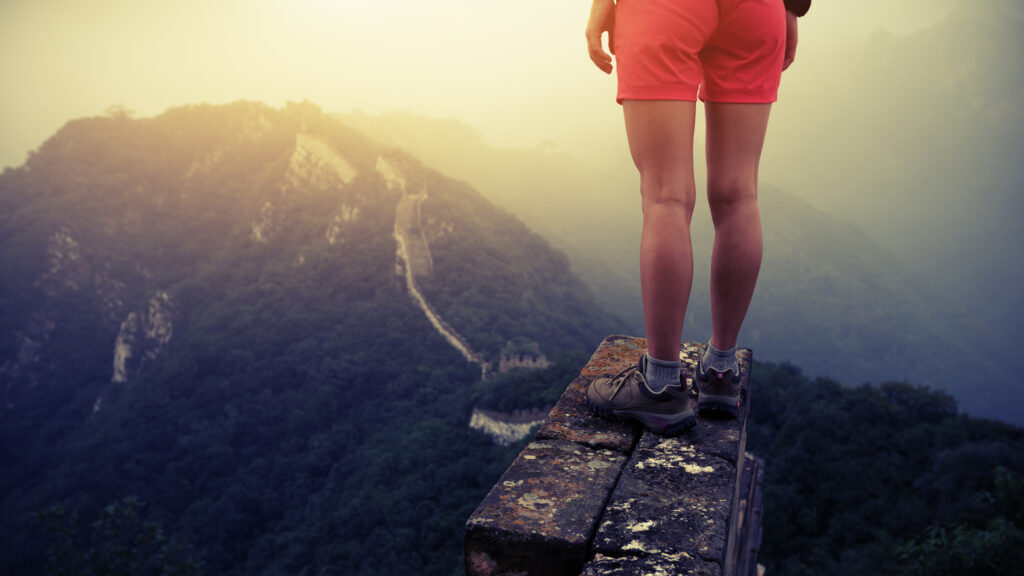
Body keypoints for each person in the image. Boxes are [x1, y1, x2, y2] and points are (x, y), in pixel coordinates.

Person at [585, 0, 811, 435]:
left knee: (665, 196)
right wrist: (791, 8)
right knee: (739, 194)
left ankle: (660, 386)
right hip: (758, 9)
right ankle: (721, 371)